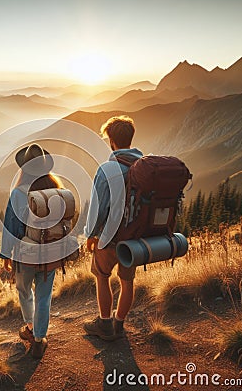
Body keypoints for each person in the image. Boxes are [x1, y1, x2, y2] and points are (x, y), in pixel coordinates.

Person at [0, 144, 63, 359]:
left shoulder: (19, 193)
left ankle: (30, 327)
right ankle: (39, 339)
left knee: (24, 291)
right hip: (51, 253)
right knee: (44, 296)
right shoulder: (55, 189)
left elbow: (12, 227)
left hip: (25, 255)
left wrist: (6, 254)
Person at [83, 116, 143, 341]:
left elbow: (99, 206)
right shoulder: (144, 165)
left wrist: (91, 234)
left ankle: (105, 323)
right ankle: (119, 324)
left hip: (110, 237)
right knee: (127, 281)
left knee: (102, 276)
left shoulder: (108, 168)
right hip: (135, 238)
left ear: (111, 141)